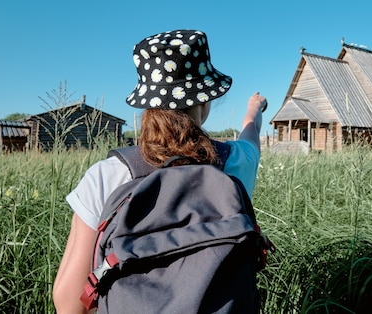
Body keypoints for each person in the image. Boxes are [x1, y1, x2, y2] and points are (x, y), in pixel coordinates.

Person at [52, 29, 267, 314]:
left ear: (146, 106)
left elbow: (68, 304)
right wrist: (254, 110)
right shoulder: (235, 163)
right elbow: (251, 135)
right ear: (204, 102)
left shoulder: (106, 176)